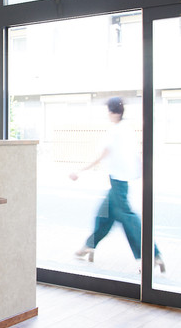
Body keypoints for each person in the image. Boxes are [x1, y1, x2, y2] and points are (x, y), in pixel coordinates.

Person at [70, 97, 165, 273]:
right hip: (121, 181)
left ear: (114, 113)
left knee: (128, 219)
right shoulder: (127, 129)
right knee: (103, 216)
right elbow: (135, 155)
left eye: (108, 111)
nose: (107, 114)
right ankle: (89, 246)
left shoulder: (115, 131)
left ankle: (152, 255)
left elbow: (102, 155)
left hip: (118, 182)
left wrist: (80, 170)